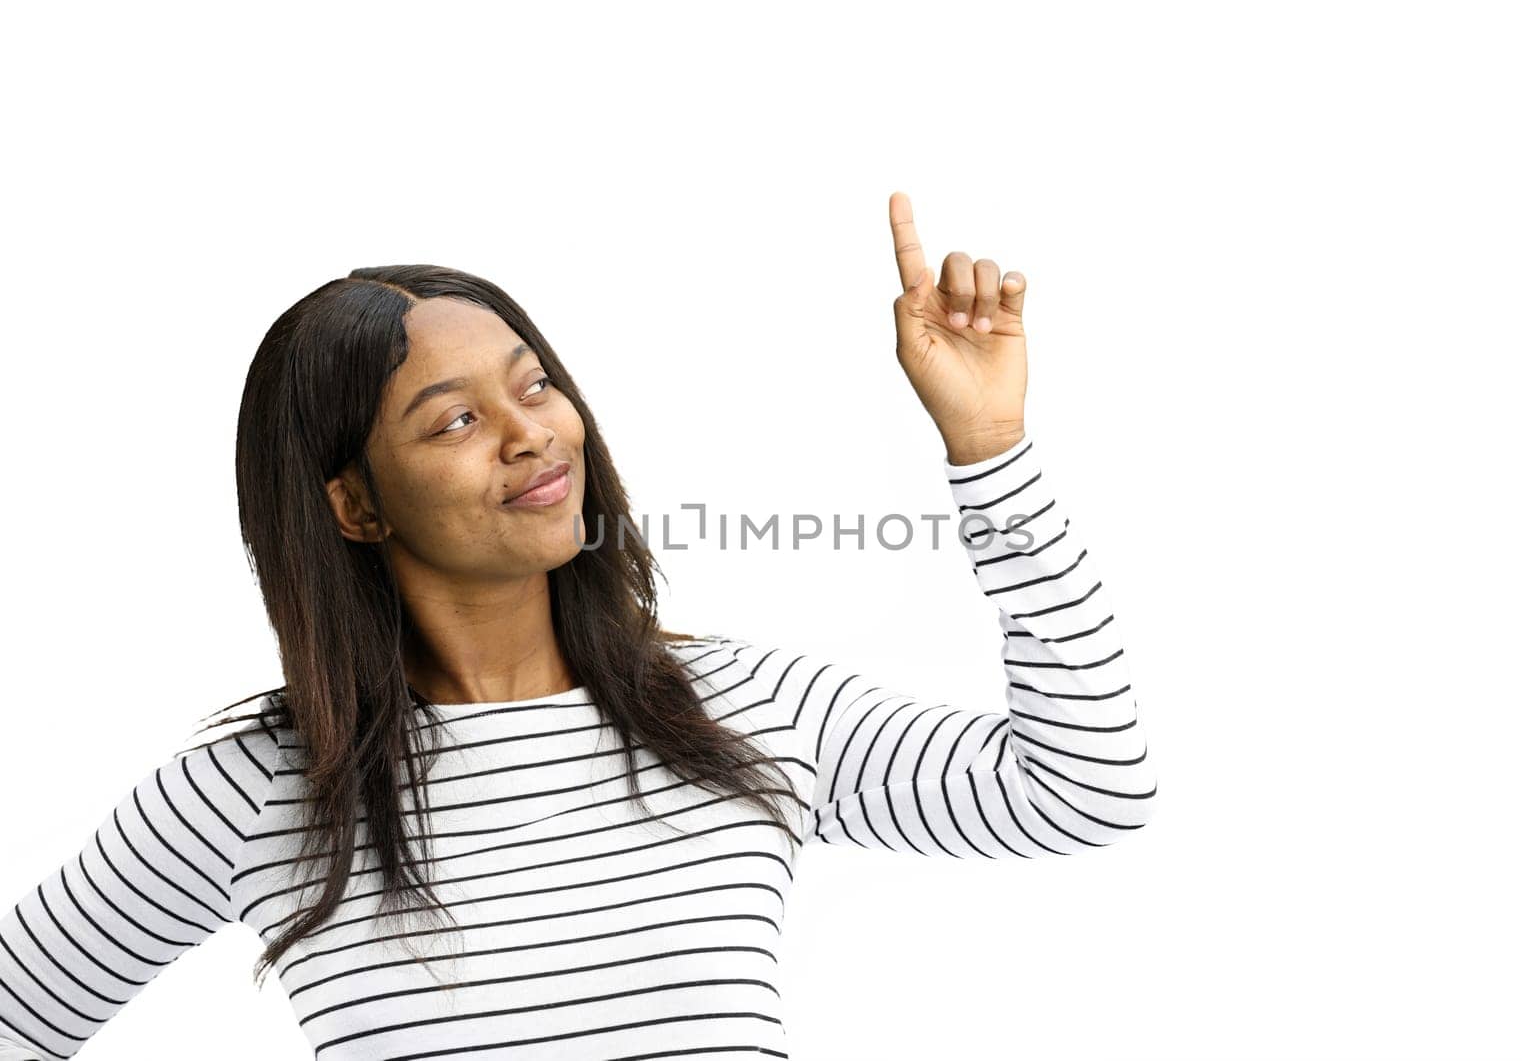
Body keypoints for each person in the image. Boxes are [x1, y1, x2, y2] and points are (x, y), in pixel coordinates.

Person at [0, 192, 1158, 1060]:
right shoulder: (257, 789)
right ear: (352, 502)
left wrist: (989, 452)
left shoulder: (742, 708)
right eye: (453, 419)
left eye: (536, 384)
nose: (531, 433)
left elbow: (1084, 789)